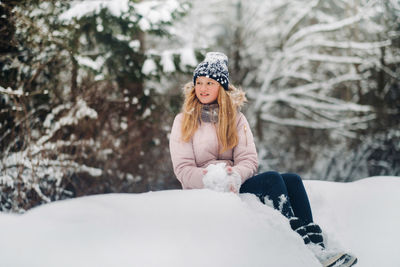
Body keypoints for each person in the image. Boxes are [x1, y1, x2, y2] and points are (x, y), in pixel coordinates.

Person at [169, 52, 357, 267]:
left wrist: (235, 175)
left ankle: (317, 247)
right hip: (205, 186)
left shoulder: (236, 119)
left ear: (220, 87)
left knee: (293, 180)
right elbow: (183, 169)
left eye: (209, 83)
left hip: (235, 182)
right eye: (199, 82)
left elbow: (248, 159)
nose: (202, 88)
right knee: (272, 179)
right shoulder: (183, 121)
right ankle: (297, 244)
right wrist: (214, 178)